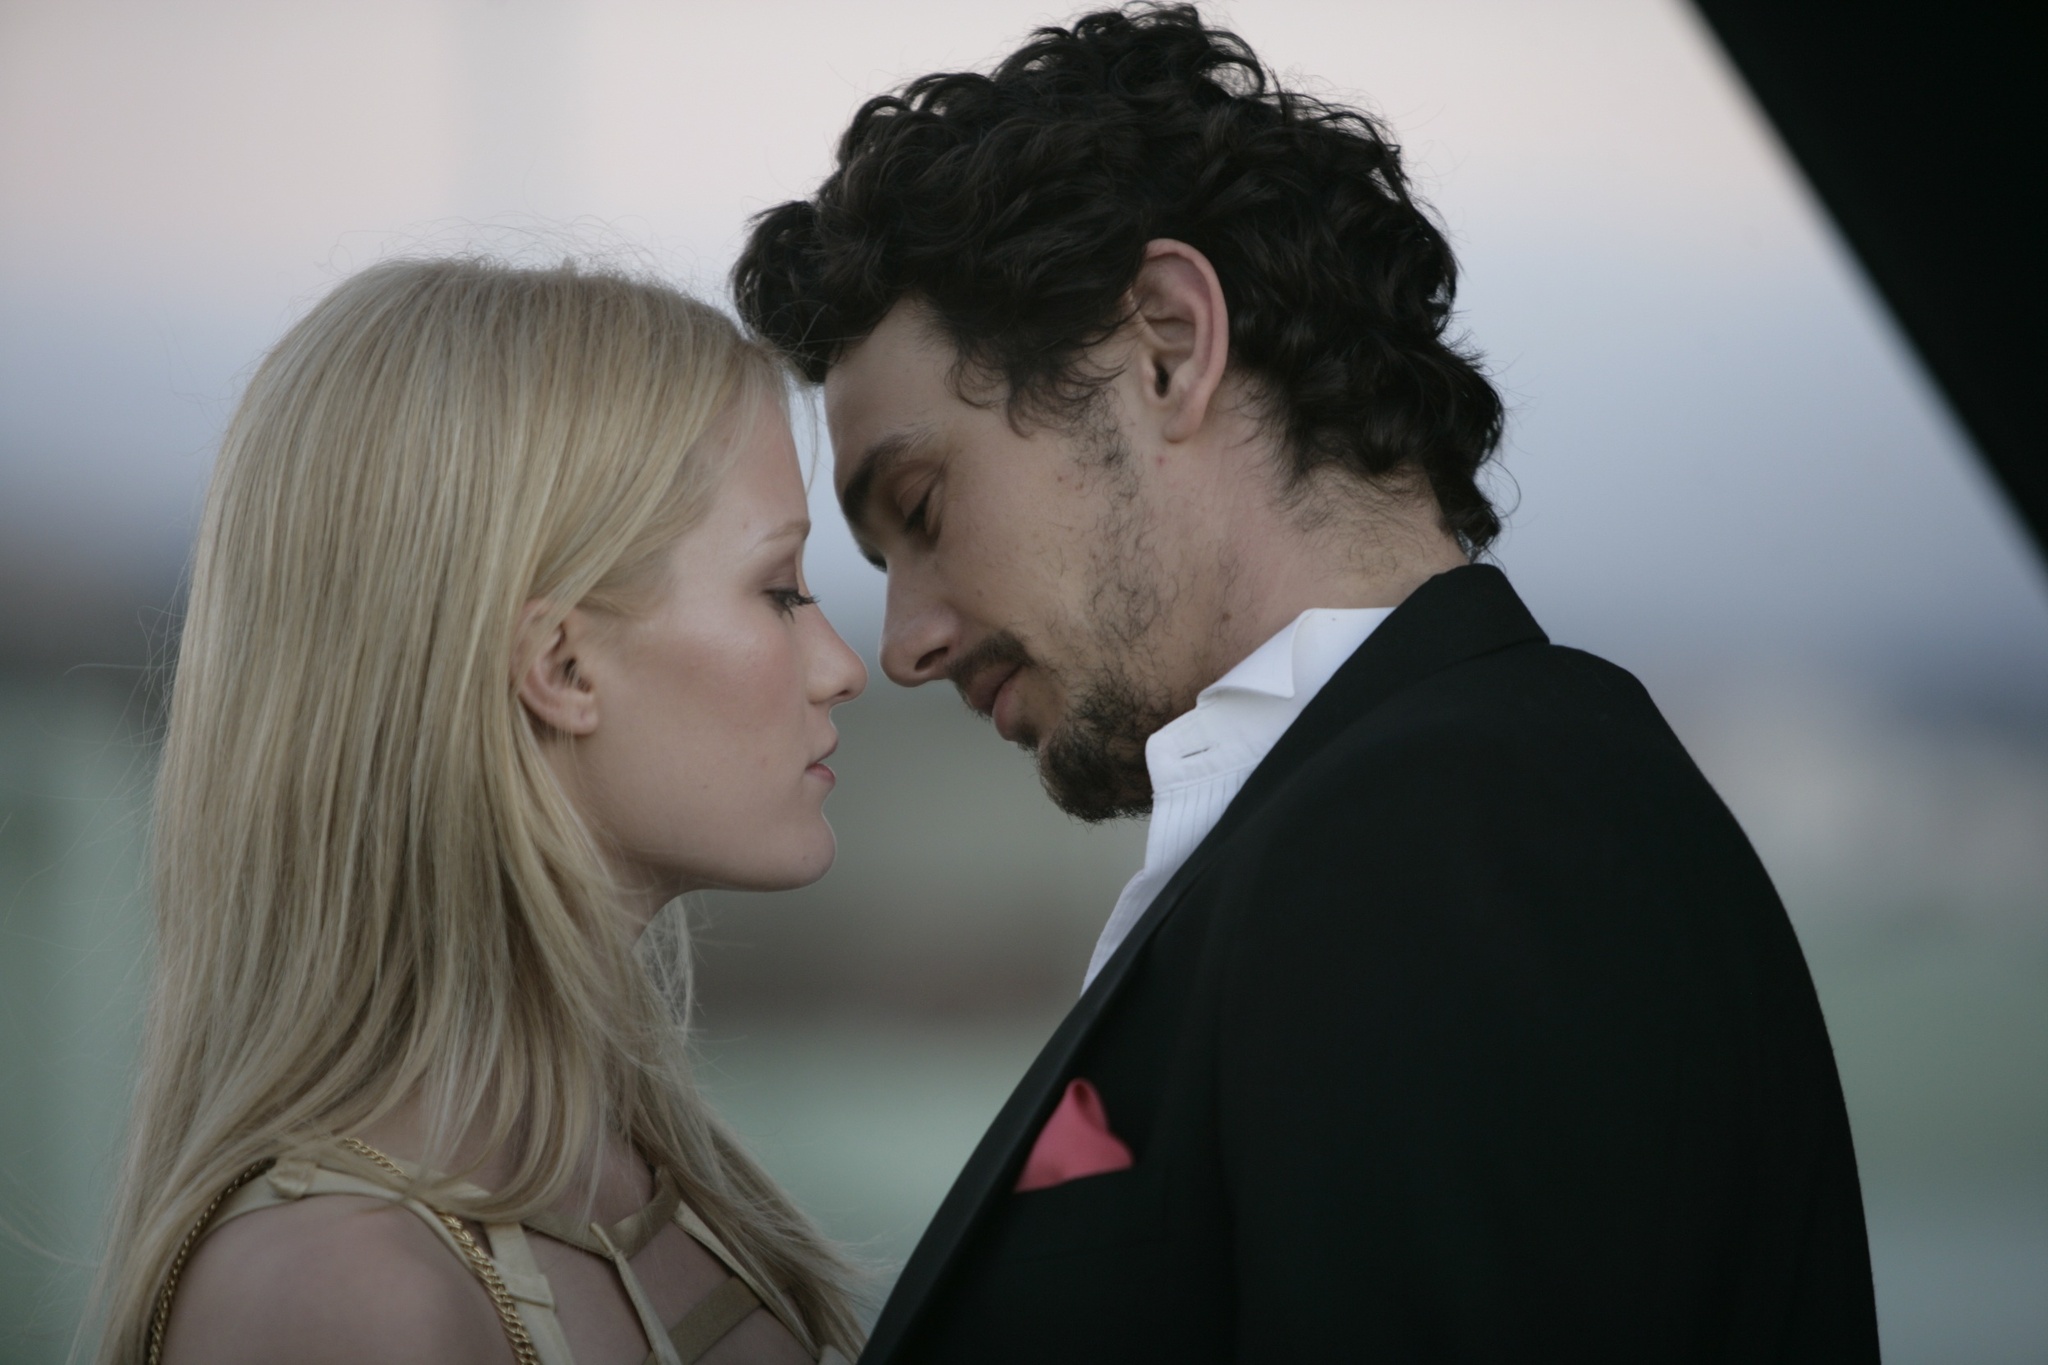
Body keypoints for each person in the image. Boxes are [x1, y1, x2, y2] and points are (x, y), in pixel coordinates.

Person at [733, 5, 1880, 1361]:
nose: (903, 644)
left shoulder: (1454, 835)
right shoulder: (1420, 814)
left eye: (923, 507)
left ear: (1166, 347)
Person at [92, 259, 869, 1365]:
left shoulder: (659, 1185)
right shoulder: (343, 1293)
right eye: (780, 590)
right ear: (560, 665)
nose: (842, 667)